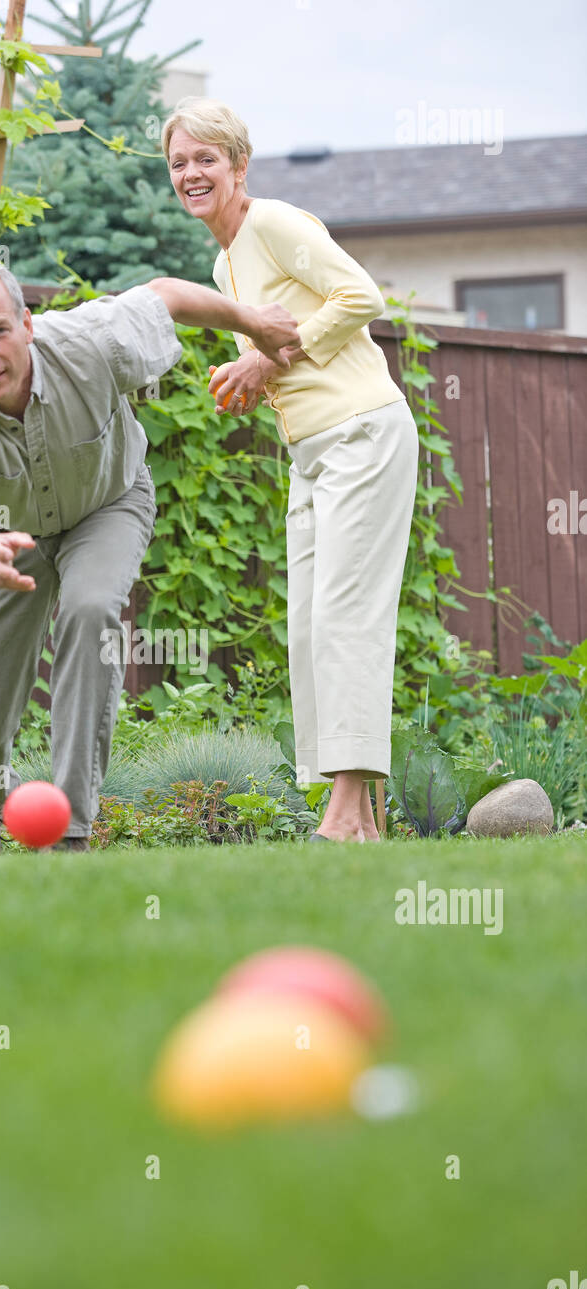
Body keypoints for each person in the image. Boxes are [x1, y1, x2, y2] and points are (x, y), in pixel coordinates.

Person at [0, 257, 301, 852]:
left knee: (90, 613)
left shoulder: (88, 342)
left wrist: (253, 321)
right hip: (5, 536)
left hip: (107, 503)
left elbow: (165, 296)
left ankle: (71, 829)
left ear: (26, 324)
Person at [162, 98, 419, 843]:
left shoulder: (272, 223)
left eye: (206, 159)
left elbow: (360, 298)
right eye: (179, 162)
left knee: (346, 619)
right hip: (313, 452)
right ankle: (362, 820)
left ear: (239, 166)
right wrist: (257, 374)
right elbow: (286, 344)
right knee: (311, 628)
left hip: (362, 432)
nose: (191, 173)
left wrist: (262, 357)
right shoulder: (224, 259)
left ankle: (343, 816)